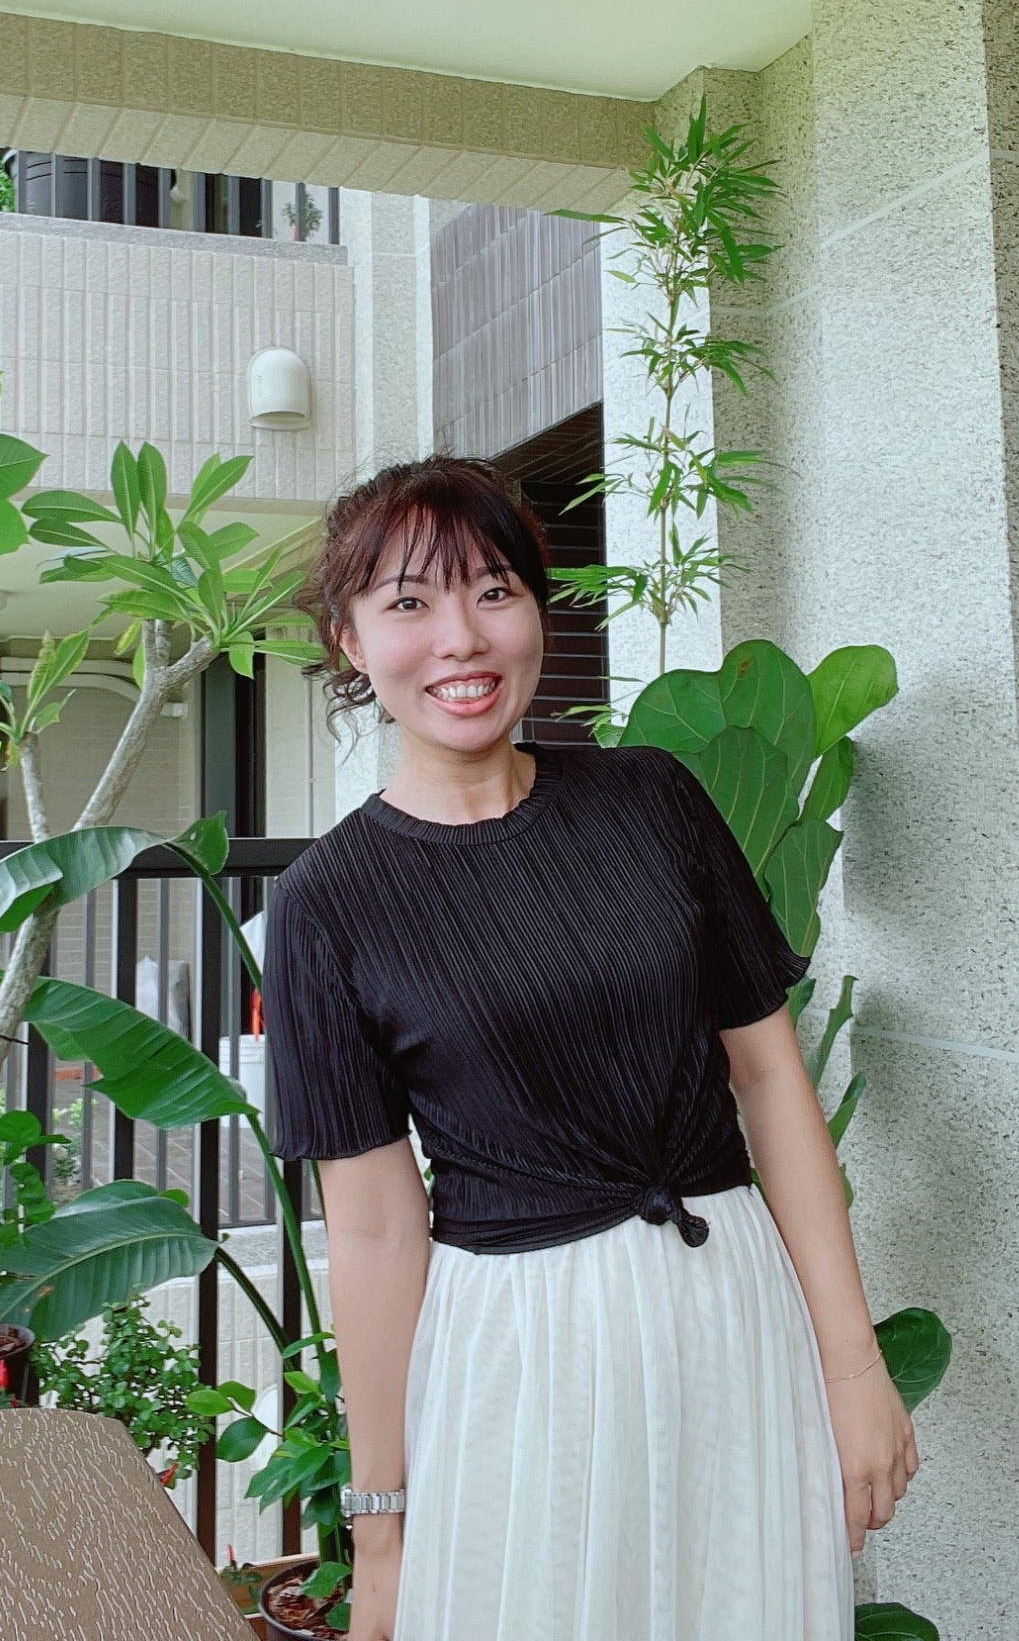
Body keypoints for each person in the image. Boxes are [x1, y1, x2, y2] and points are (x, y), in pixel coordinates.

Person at [263, 456, 917, 1641]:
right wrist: (384, 1532)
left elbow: (771, 1078)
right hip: (521, 1356)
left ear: (536, 609)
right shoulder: (328, 903)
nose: (461, 638)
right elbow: (373, 1228)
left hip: (733, 1314)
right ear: (349, 640)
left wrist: (853, 1365)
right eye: (409, 602)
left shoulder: (653, 798)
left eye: (493, 590)